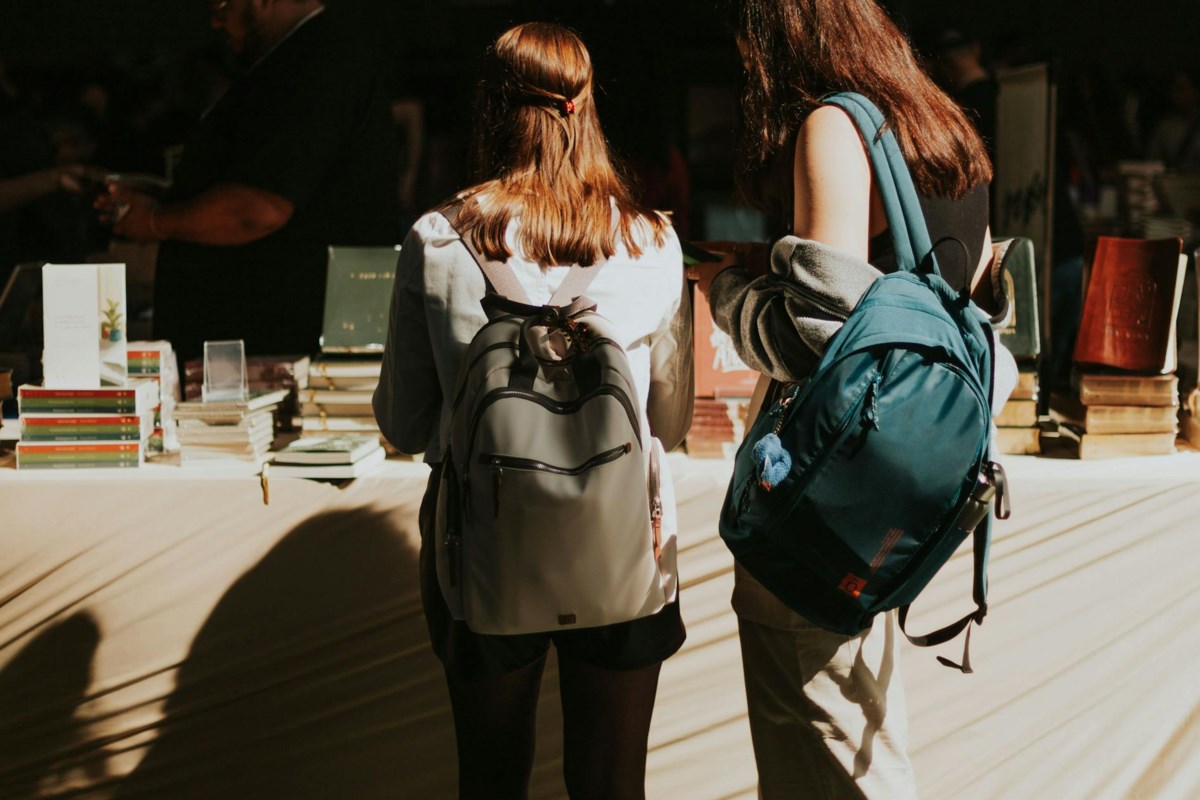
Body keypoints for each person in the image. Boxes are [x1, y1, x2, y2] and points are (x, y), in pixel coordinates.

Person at [372, 22, 693, 800]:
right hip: (624, 543)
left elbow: (404, 423)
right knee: (612, 783)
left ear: (490, 109)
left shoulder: (438, 237)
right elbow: (672, 423)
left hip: (479, 540)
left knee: (490, 780)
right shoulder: (652, 240)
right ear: (586, 107)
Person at [690, 1, 996, 796]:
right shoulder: (939, 126)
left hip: (822, 496)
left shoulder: (834, 125)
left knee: (822, 755)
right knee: (859, 731)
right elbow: (934, 294)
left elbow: (813, 341)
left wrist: (720, 288)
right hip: (900, 484)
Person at [102, 0, 398, 364]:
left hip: (278, 346)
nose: (216, 21)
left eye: (222, 6)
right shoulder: (296, 59)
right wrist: (172, 198)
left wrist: (155, 221)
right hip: (265, 340)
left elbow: (257, 209)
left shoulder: (315, 63)